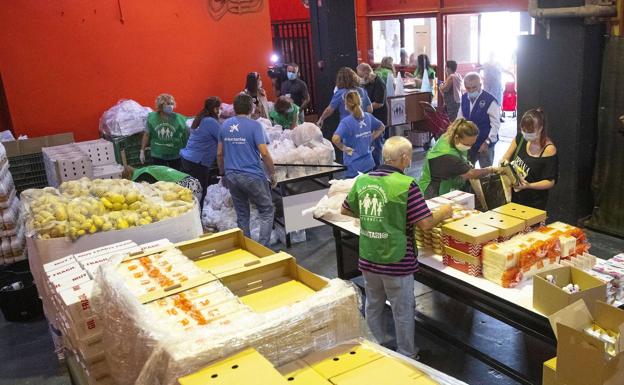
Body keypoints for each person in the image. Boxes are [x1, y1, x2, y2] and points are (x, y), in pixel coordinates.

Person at [341, 136, 453, 359]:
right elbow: (426, 223)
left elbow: (345, 209)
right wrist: (445, 211)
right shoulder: (406, 185)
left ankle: (377, 347)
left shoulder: (363, 181)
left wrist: (373, 218)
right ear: (404, 158)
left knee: (373, 304)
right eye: (409, 156)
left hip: (368, 255)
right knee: (402, 310)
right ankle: (407, 353)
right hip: (396, 259)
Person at [217, 93, 276, 247]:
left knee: (242, 214)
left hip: (231, 175)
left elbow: (219, 153)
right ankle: (263, 247)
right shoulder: (255, 126)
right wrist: (272, 172)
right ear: (251, 107)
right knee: (266, 210)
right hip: (252, 175)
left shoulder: (224, 125)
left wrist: (223, 173)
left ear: (235, 108)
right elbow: (264, 152)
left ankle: (247, 248)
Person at [418, 119, 500, 199]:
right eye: (467, 144)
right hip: (433, 191)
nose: (469, 147)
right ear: (456, 138)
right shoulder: (448, 155)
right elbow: (471, 174)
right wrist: (491, 169)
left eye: (472, 144)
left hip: (445, 184)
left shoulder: (449, 137)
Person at [500, 108, 558, 210]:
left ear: (540, 128)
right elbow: (506, 157)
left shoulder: (548, 150)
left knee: (530, 225)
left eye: (530, 131)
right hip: (513, 198)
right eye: (524, 130)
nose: (526, 134)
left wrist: (528, 185)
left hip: (534, 202)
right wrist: (504, 165)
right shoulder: (520, 138)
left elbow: (550, 182)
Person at [179, 96, 221, 211]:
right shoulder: (210, 122)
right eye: (219, 108)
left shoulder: (201, 118)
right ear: (215, 109)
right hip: (198, 162)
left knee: (192, 191)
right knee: (199, 193)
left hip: (188, 159)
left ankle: (191, 216)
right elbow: (223, 138)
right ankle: (197, 220)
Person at [332, 91, 385, 178]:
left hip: (353, 167)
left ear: (346, 105)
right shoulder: (368, 117)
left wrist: (343, 148)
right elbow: (381, 127)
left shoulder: (346, 122)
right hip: (368, 164)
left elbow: (335, 139)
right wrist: (371, 138)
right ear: (360, 102)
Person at [457, 72, 500, 168]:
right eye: (468, 88)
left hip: (485, 142)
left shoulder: (490, 101)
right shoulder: (464, 98)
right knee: (467, 170)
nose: (471, 90)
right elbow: (460, 118)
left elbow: (496, 124)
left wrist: (487, 142)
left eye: (474, 87)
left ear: (480, 85)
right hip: (468, 142)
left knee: (486, 173)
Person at [141, 93, 189, 171]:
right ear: (161, 105)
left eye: (172, 104)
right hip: (158, 154)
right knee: (160, 177)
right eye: (168, 104)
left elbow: (186, 135)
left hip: (175, 154)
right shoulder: (152, 118)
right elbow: (146, 134)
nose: (171, 106)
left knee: (174, 176)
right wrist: (142, 151)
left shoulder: (179, 119)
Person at [357, 63, 388, 166]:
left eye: (361, 75)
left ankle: (377, 168)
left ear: (366, 72)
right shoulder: (365, 84)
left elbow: (379, 103)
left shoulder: (379, 83)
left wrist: (364, 109)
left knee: (377, 145)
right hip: (368, 118)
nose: (360, 78)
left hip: (378, 117)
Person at [123, 165, 202, 204]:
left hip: (184, 186)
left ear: (129, 175)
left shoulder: (140, 176)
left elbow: (148, 194)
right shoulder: (147, 169)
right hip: (193, 182)